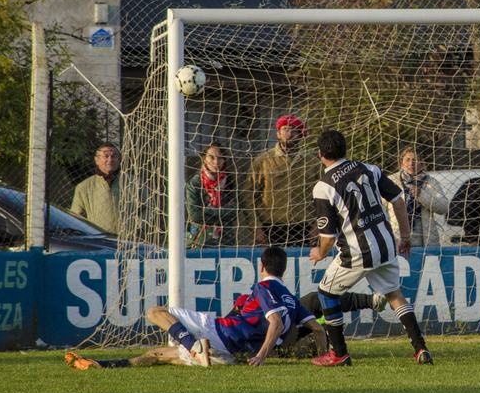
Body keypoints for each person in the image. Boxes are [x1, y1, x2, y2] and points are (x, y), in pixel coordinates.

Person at [65, 246, 321, 369]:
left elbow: (275, 323)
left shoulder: (263, 288)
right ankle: (105, 365)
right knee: (158, 355)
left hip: (219, 333)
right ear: (284, 270)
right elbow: (318, 331)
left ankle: (194, 346)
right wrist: (322, 356)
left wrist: (262, 356)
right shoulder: (292, 299)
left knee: (155, 312)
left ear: (261, 267)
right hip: (229, 354)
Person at [308, 129, 434, 367]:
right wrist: (405, 236)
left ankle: (339, 353)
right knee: (395, 294)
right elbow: (398, 199)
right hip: (386, 245)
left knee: (326, 294)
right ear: (345, 149)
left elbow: (328, 236)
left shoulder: (323, 187)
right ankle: (421, 349)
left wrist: (320, 253)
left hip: (357, 252)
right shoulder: (370, 168)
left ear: (320, 154)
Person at [247, 115, 317, 248]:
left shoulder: (312, 163)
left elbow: (323, 197)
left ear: (300, 134)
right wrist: (256, 227)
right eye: (285, 129)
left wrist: (318, 225)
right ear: (278, 133)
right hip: (271, 227)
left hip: (304, 227)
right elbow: (249, 195)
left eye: (294, 130)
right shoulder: (263, 161)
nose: (289, 134)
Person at [388, 146, 449, 249]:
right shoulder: (392, 181)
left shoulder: (431, 182)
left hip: (424, 239)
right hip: (397, 237)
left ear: (422, 163)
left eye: (415, 160)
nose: (411, 163)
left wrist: (421, 195)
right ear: (401, 162)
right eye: (408, 159)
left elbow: (443, 207)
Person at [186, 143, 237, 247]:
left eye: (220, 158)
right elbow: (195, 215)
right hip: (199, 240)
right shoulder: (195, 183)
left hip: (225, 240)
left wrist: (205, 210)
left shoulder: (230, 181)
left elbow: (233, 212)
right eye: (211, 157)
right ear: (204, 158)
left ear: (224, 160)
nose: (216, 162)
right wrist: (221, 213)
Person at [70, 142, 121, 233]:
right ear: (96, 160)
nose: (110, 160)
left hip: (129, 240)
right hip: (99, 240)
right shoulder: (84, 187)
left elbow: (147, 207)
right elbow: (76, 217)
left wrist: (138, 227)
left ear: (119, 159)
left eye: (114, 156)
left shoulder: (133, 183)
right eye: (106, 156)